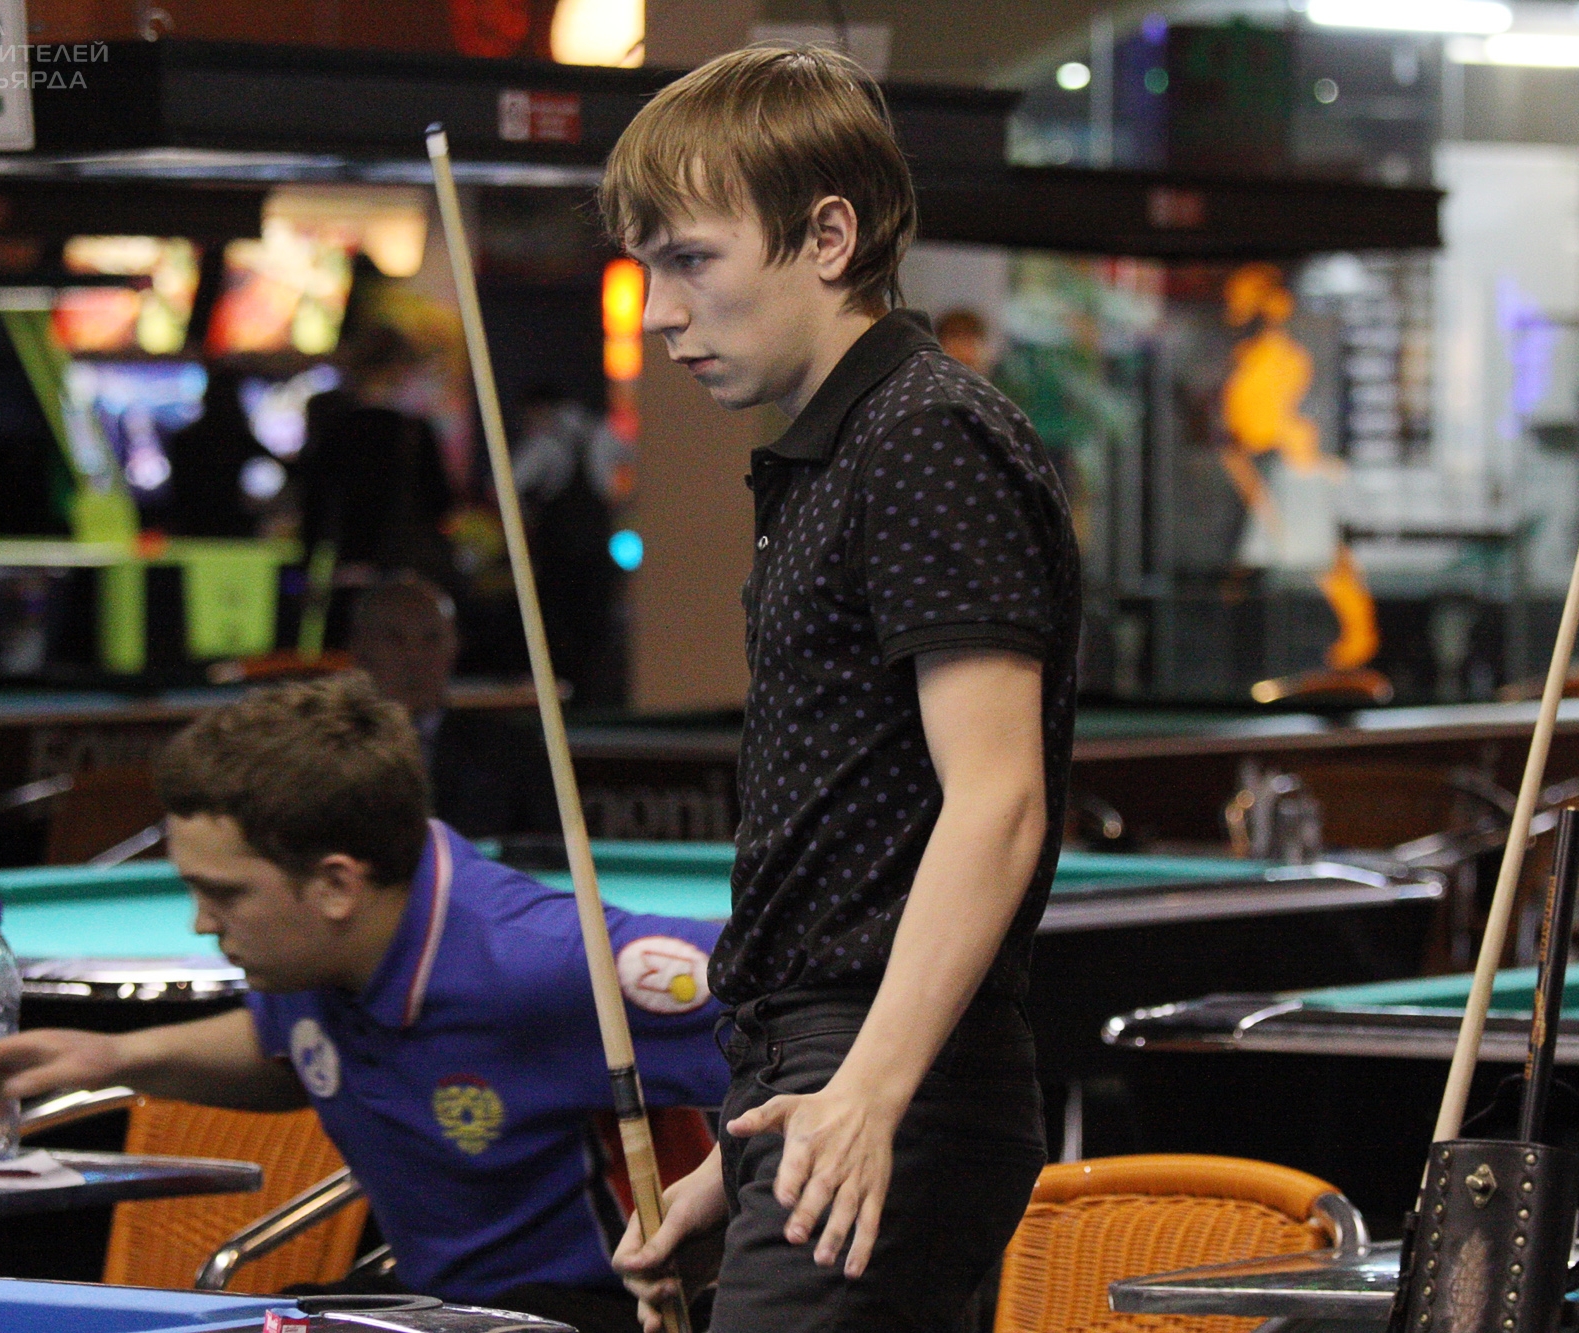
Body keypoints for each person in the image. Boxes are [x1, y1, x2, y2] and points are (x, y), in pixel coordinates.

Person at [597, 45, 1081, 1333]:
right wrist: (737, 1165)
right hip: (824, 1067)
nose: (658, 311)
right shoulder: (841, 450)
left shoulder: (924, 434)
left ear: (826, 237)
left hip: (890, 1069)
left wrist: (865, 1090)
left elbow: (996, 802)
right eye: (647, 266)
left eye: (689, 259)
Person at [0, 675, 727, 1333]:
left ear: (335, 884)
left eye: (223, 893)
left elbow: (788, 1004)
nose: (201, 923)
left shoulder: (544, 958)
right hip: (432, 1304)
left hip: (598, 1310)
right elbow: (291, 1051)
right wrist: (117, 1055)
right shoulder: (314, 959)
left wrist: (715, 1200)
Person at [347, 574, 558, 840]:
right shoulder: (329, 750)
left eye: (431, 639)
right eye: (394, 639)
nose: (415, 657)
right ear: (360, 649)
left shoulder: (510, 753)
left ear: (455, 647)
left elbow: (543, 850)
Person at [300, 324, 459, 599]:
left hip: (345, 569)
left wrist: (313, 564)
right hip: (403, 570)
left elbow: (314, 504)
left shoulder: (334, 429)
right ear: (400, 369)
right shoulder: (415, 432)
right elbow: (439, 502)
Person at [512, 388, 633, 710]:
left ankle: (564, 704)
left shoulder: (546, 441)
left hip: (559, 560)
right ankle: (594, 703)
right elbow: (635, 461)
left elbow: (508, 483)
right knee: (597, 632)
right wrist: (621, 505)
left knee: (558, 634)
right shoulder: (603, 432)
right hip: (597, 556)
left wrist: (525, 520)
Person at [164, 367, 277, 538]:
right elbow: (287, 468)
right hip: (229, 522)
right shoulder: (239, 438)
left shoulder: (184, 439)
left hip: (191, 522)